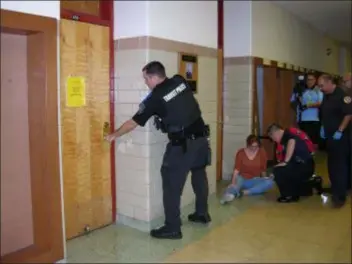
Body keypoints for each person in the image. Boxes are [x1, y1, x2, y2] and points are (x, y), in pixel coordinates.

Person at [104, 61, 211, 239]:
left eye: (146, 78)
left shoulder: (154, 98)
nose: (145, 82)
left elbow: (133, 122)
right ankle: (202, 213)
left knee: (170, 184)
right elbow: (181, 105)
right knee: (199, 174)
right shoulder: (180, 81)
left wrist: (114, 135)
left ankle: (172, 227)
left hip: (182, 145)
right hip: (201, 139)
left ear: (153, 77)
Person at [319, 74, 352, 208]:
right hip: (329, 136)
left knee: (339, 166)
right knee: (332, 165)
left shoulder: (342, 95)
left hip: (341, 138)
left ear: (330, 83)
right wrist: (323, 126)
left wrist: (340, 130)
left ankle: (340, 196)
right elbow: (325, 113)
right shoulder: (326, 96)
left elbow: (349, 114)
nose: (320, 88)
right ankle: (336, 188)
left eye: (322, 85)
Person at [267, 123, 315, 203]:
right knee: (283, 169)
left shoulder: (288, 135)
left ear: (275, 133)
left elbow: (292, 142)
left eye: (272, 137)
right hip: (306, 166)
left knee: (278, 171)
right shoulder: (287, 136)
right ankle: (309, 186)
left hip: (304, 167)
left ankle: (289, 195)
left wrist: (286, 162)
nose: (273, 140)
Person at [220, 135, 274, 204]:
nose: (254, 148)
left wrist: (264, 179)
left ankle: (243, 192)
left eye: (256, 146)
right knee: (234, 186)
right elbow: (236, 170)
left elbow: (263, 169)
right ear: (248, 145)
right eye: (252, 146)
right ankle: (228, 196)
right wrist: (233, 183)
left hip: (254, 179)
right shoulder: (241, 153)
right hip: (241, 178)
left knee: (269, 182)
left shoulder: (262, 152)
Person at [290, 73, 324, 148]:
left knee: (313, 142)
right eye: (308, 80)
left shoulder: (318, 90)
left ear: (315, 80)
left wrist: (308, 106)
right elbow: (293, 102)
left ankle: (313, 156)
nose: (309, 81)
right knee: (304, 141)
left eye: (311, 79)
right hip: (302, 119)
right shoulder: (302, 90)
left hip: (314, 120)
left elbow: (320, 103)